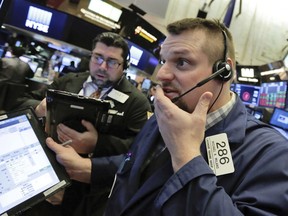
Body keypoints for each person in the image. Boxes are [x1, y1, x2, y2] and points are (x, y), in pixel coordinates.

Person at [46, 18, 288, 215]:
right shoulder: (169, 112)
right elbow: (135, 164)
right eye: (163, 60)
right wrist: (89, 168)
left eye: (181, 62)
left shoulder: (270, 153)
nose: (162, 74)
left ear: (223, 71)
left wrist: (187, 158)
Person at [14, 32, 151, 216]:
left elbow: (137, 150)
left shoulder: (136, 102)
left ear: (124, 66)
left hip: (87, 192)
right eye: (98, 58)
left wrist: (97, 143)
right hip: (43, 172)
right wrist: (38, 109)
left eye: (112, 61)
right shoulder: (68, 81)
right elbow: (21, 103)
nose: (102, 66)